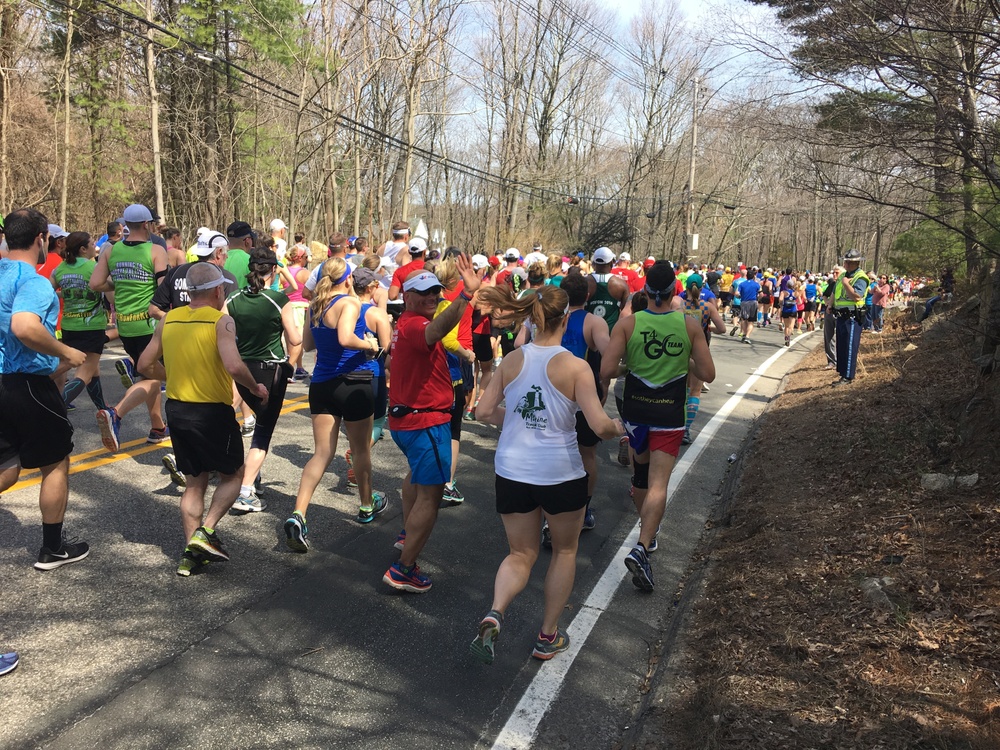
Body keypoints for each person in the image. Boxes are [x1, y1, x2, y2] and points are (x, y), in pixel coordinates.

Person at [470, 284, 623, 663]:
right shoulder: (575, 366)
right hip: (560, 471)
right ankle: (548, 635)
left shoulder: (511, 360)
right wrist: (619, 429)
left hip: (512, 470)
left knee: (520, 553)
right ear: (566, 318)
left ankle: (496, 610)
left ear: (532, 318)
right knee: (565, 550)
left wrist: (520, 421)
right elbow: (599, 425)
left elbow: (483, 413)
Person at [136, 263, 267, 575]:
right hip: (212, 412)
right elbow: (234, 367)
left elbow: (144, 364)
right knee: (234, 475)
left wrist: (169, 373)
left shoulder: (168, 318)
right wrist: (255, 387)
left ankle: (189, 557)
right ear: (219, 290)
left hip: (178, 411)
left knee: (194, 485)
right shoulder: (222, 321)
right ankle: (204, 533)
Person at [600, 261, 715, 591]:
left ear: (646, 290)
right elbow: (707, 375)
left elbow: (607, 369)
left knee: (639, 478)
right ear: (674, 291)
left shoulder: (628, 324)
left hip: (637, 410)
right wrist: (684, 359)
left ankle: (647, 538)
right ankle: (643, 544)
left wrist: (631, 365)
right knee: (658, 484)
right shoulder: (689, 325)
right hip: (668, 413)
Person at [1, 207, 90, 577]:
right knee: (55, 462)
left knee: (6, 465)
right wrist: (66, 352)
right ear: (42, 239)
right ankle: (53, 548)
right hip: (29, 386)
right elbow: (24, 327)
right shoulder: (33, 280)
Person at [383, 257, 481, 593]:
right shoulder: (413, 326)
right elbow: (436, 331)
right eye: (423, 293)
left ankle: (406, 535)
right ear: (407, 297)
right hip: (424, 422)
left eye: (436, 292)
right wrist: (465, 298)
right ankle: (403, 569)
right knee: (431, 496)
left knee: (414, 477)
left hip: (410, 420)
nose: (432, 297)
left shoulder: (409, 323)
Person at [285, 257, 386, 550]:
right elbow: (345, 338)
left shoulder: (316, 305)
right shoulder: (349, 303)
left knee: (321, 453)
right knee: (360, 449)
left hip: (322, 384)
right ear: (347, 279)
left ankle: (298, 513)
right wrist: (370, 345)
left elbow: (308, 345)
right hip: (353, 382)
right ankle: (367, 505)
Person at [222, 248, 301, 511]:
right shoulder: (278, 299)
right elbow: (295, 338)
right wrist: (291, 363)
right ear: (274, 270)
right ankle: (245, 492)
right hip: (270, 371)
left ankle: (251, 478)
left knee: (247, 420)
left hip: (241, 371)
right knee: (262, 433)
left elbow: (219, 329)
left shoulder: (232, 297)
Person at [90, 204, 169, 452]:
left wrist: (120, 283)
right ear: (147, 225)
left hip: (125, 324)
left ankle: (158, 427)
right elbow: (164, 289)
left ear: (126, 225)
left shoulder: (110, 250)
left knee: (150, 376)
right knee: (162, 376)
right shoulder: (156, 250)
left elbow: (96, 283)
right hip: (150, 324)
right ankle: (116, 413)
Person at [539, 271, 610, 545]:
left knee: (553, 449)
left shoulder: (551, 319)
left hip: (550, 395)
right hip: (579, 396)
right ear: (589, 295)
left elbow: (522, 344)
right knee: (586, 454)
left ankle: (549, 515)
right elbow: (608, 352)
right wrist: (603, 382)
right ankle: (585, 508)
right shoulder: (593, 322)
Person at [51, 231, 114, 411]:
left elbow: (48, 292)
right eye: (92, 244)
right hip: (92, 327)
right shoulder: (94, 268)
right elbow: (111, 299)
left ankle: (103, 409)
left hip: (69, 326)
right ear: (83, 249)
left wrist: (67, 293)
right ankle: (54, 407)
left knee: (93, 371)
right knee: (84, 374)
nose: (95, 247)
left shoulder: (60, 269)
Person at [680, 273, 725, 443]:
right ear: (701, 288)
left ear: (686, 288)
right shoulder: (708, 307)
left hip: (681, 349)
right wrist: (706, 329)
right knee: (695, 391)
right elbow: (722, 329)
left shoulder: (679, 305)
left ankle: (676, 426)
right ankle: (686, 430)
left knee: (680, 390)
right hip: (700, 350)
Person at [831, 250, 870, 386]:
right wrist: (830, 305)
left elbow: (857, 296)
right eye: (845, 261)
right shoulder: (843, 276)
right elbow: (835, 291)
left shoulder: (860, 277)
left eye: (849, 262)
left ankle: (848, 376)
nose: (846, 264)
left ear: (855, 263)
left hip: (853, 317)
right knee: (841, 346)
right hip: (841, 315)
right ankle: (842, 374)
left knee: (849, 346)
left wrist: (847, 284)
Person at [283, 245, 311, 381]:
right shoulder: (304, 273)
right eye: (306, 257)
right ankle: (290, 369)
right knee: (298, 339)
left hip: (286, 307)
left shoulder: (285, 271)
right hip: (300, 308)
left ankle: (299, 367)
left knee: (289, 339)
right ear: (300, 258)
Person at [586, 247, 629, 331]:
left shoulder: (583, 282)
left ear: (594, 262)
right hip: (611, 333)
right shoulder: (621, 285)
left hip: (587, 332)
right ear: (611, 262)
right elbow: (626, 312)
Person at [224, 222, 254, 290]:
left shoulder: (219, 259)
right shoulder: (250, 260)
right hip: (242, 299)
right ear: (247, 241)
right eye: (251, 238)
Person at [736, 269, 760, 343]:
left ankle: (744, 333)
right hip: (753, 303)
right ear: (753, 276)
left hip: (744, 303)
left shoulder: (742, 284)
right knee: (751, 321)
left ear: (746, 276)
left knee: (744, 319)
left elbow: (736, 293)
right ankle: (747, 336)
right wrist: (758, 298)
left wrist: (740, 297)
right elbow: (761, 293)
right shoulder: (756, 284)